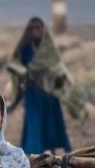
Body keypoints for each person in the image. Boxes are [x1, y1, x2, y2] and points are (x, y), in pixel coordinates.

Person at [13, 18, 72, 154]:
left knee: (51, 125)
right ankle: (34, 156)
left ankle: (52, 153)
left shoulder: (49, 49)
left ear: (43, 29)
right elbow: (20, 70)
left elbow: (58, 69)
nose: (35, 31)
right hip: (32, 93)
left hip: (48, 93)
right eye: (32, 28)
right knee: (34, 124)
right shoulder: (26, 49)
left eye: (38, 27)